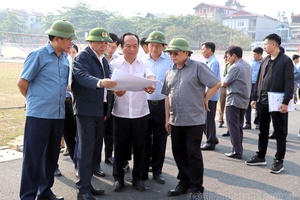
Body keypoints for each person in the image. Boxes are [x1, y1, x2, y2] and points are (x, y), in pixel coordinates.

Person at [17, 19, 77, 200]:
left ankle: (44, 191)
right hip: (39, 115)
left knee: (51, 155)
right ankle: (27, 195)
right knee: (33, 157)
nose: (70, 43)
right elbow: (22, 83)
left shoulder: (66, 58)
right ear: (56, 38)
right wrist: (35, 101)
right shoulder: (38, 55)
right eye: (68, 39)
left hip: (58, 114)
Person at [162, 38, 221, 200]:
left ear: (186, 53)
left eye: (176, 52)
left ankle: (197, 189)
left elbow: (216, 83)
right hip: (176, 119)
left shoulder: (198, 67)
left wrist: (205, 98)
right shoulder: (170, 71)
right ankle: (184, 183)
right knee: (178, 153)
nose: (172, 56)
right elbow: (167, 96)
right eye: (170, 53)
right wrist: (167, 118)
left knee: (193, 154)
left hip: (194, 119)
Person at [72, 27, 117, 200]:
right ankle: (82, 189)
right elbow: (82, 76)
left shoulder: (103, 60)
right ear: (90, 42)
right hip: (86, 110)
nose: (103, 45)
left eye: (105, 42)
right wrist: (100, 82)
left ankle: (87, 184)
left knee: (95, 149)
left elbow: (110, 84)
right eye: (99, 42)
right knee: (86, 149)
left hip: (100, 110)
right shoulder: (82, 57)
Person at [110, 32, 155, 193]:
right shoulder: (115, 64)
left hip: (140, 113)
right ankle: (118, 178)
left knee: (141, 147)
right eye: (128, 46)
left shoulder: (144, 63)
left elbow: (150, 75)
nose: (131, 49)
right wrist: (116, 91)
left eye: (135, 46)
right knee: (120, 147)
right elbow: (111, 84)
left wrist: (151, 83)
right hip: (120, 113)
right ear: (121, 47)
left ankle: (138, 178)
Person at [245, 33, 294, 174]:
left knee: (280, 132)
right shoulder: (265, 60)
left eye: (266, 44)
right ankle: (261, 155)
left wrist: (286, 102)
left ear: (274, 44)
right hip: (263, 101)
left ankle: (279, 160)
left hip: (278, 102)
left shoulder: (285, 61)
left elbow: (289, 83)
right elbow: (260, 80)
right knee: (262, 130)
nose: (264, 46)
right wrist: (254, 97)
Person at [142, 31, 173, 184]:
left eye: (157, 45)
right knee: (144, 138)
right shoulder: (141, 60)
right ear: (147, 46)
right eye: (151, 45)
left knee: (160, 140)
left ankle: (157, 171)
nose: (154, 48)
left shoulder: (169, 61)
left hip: (162, 105)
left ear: (163, 47)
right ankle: (143, 169)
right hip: (144, 105)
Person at [222, 46, 252, 159]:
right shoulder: (247, 65)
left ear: (234, 56)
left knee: (232, 126)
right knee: (238, 126)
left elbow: (225, 82)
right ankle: (238, 148)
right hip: (244, 99)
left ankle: (236, 150)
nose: (228, 59)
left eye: (229, 56)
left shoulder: (234, 67)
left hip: (234, 99)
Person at [200, 42, 220, 150]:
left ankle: (211, 141)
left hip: (210, 96)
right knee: (206, 118)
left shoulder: (213, 63)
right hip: (209, 96)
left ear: (209, 50)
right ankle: (212, 137)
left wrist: (206, 96)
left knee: (208, 119)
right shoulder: (210, 62)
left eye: (203, 49)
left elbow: (210, 81)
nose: (202, 51)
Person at [243, 47, 263, 130]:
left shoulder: (264, 62)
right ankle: (247, 122)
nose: (254, 56)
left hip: (259, 85)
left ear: (260, 54)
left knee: (258, 104)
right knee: (247, 104)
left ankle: (257, 122)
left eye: (255, 54)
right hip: (249, 84)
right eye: (253, 54)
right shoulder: (250, 61)